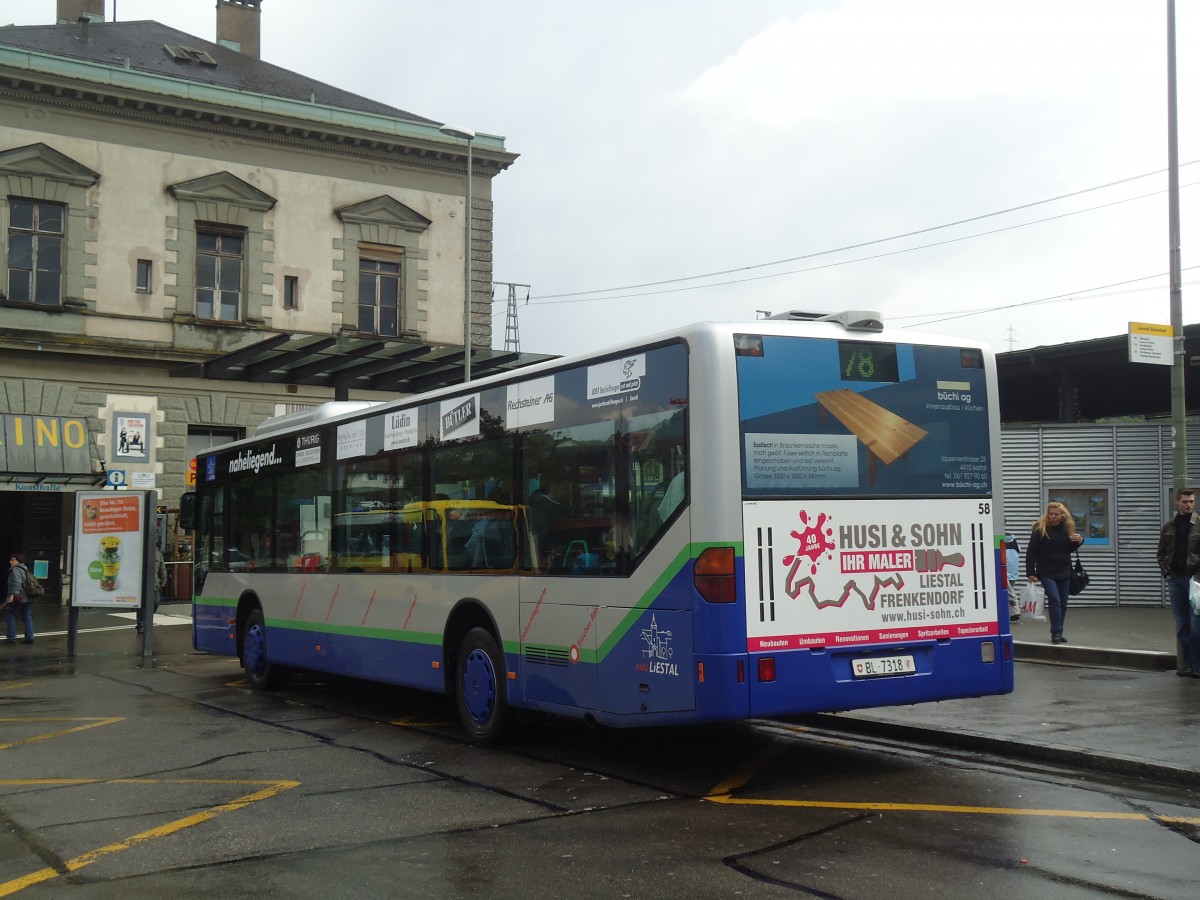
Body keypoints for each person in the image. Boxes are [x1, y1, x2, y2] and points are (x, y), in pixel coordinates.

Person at [1156, 487, 1200, 677]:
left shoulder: (1199, 524)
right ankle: (1189, 664)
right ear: (1177, 502)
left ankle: (1197, 665)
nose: (1189, 505)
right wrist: (1166, 573)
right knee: (1182, 625)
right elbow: (1161, 553)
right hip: (1175, 580)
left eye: (1192, 501)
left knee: (1195, 624)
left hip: (1195, 581)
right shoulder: (1169, 526)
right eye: (1185, 501)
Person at [1026, 501, 1084, 644]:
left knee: (1063, 603)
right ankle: (1056, 633)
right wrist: (1030, 571)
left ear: (1063, 516)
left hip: (1064, 571)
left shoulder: (1067, 528)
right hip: (1046, 571)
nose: (1053, 516)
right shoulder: (1040, 528)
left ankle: (1058, 631)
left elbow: (1068, 549)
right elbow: (1031, 551)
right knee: (1054, 599)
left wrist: (1079, 541)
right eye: (1051, 513)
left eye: (1056, 514)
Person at [5, 552, 35, 645]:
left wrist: (13, 595)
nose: (10, 562)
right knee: (27, 617)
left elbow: (17, 583)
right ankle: (29, 637)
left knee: (9, 614)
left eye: (13, 560)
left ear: (19, 560)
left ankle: (11, 637)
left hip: (19, 597)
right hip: (28, 597)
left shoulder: (16, 570)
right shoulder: (25, 569)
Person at [137, 546, 167, 634]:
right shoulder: (141, 551)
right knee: (142, 604)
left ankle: (147, 619)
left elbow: (162, 568)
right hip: (141, 584)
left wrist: (163, 579)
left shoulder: (158, 554)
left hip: (154, 584)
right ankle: (141, 625)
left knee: (156, 601)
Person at [1004, 532, 1021, 622]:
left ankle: (1015, 611)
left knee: (1009, 593)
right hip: (1013, 573)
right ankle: (1008, 613)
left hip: (1004, 572)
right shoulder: (1015, 541)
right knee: (1008, 592)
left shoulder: (999, 540)